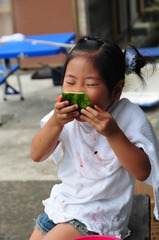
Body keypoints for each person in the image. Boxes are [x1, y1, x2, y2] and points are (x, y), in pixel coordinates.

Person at [29, 36, 159, 240]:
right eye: (70, 82)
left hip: (100, 215)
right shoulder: (62, 116)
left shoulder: (128, 117)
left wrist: (113, 134)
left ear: (116, 90)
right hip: (64, 205)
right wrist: (55, 122)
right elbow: (36, 155)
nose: (77, 91)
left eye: (89, 84)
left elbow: (142, 172)